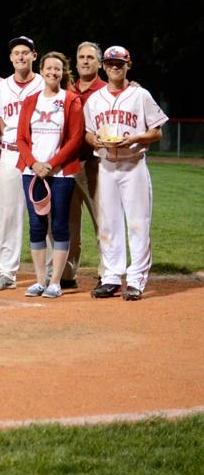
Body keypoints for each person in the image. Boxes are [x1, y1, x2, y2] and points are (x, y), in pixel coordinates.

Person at [83, 46, 168, 301]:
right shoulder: (95, 100)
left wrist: (137, 137)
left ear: (128, 64)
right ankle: (110, 277)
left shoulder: (140, 95)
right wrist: (94, 141)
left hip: (134, 165)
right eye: (110, 62)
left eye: (119, 62)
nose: (114, 66)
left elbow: (157, 131)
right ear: (104, 66)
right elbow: (88, 133)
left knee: (138, 223)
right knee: (109, 224)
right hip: (106, 165)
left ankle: (136, 280)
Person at [16, 52, 84, 299]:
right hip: (31, 172)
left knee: (59, 225)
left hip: (61, 173)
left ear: (63, 72)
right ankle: (39, 280)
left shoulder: (71, 100)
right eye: (49, 68)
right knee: (36, 225)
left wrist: (52, 164)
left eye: (58, 69)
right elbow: (21, 138)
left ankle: (56, 281)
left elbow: (76, 139)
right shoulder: (31, 100)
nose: (53, 73)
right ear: (41, 71)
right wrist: (34, 164)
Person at [0, 36, 44, 291]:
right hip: (10, 153)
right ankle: (7, 273)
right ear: (10, 58)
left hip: (39, 155)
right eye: (16, 53)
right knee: (8, 214)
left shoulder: (44, 84)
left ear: (34, 56)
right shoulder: (1, 88)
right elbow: (2, 125)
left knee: (44, 213)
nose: (20, 56)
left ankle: (50, 273)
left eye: (25, 52)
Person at [63, 41, 107, 289]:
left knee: (102, 220)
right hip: (68, 165)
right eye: (81, 57)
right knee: (68, 223)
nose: (86, 61)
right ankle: (67, 274)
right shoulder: (67, 89)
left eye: (91, 57)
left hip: (95, 163)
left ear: (99, 63)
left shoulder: (106, 89)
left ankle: (107, 273)